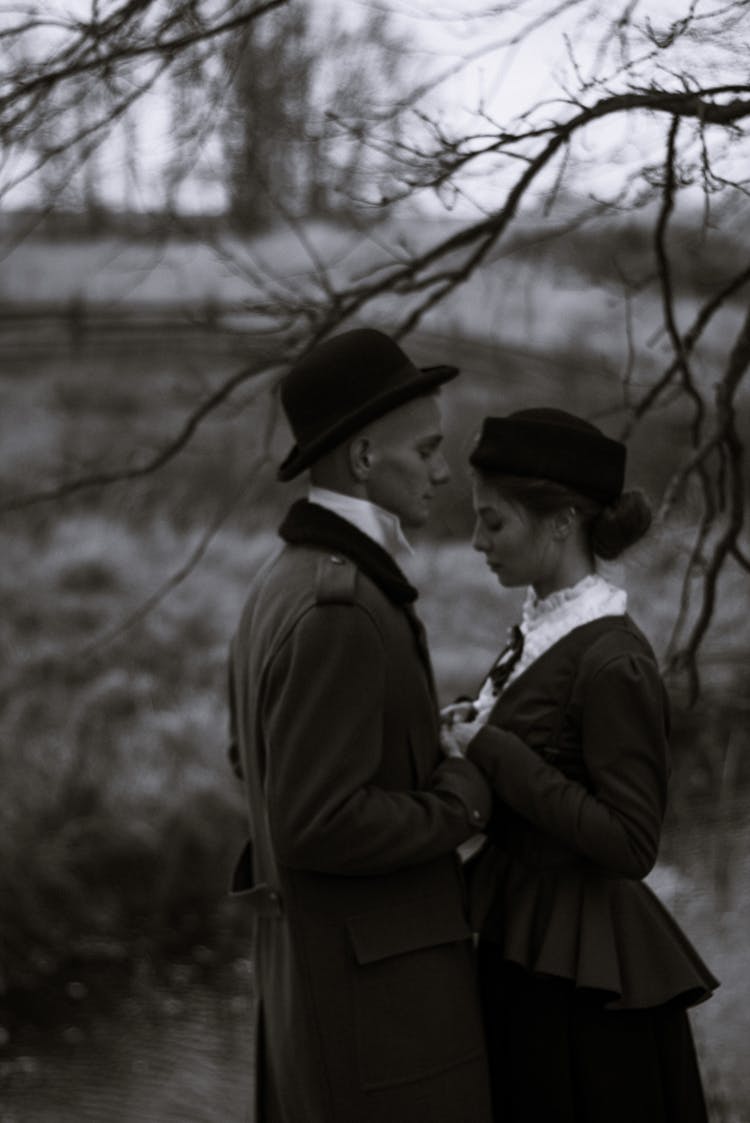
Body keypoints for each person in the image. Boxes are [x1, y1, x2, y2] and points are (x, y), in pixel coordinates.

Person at [227, 328, 495, 1123]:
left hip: (321, 1000)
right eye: (429, 448)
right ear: (365, 456)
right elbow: (316, 821)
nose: (446, 471)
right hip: (376, 1024)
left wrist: (408, 753)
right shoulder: (335, 608)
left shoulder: (282, 584)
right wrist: (462, 796)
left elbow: (256, 761)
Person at [441, 408, 718, 1123]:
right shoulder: (543, 624)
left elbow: (632, 841)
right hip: (527, 950)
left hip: (585, 988)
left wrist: (491, 748)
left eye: (494, 522)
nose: (476, 541)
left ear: (561, 520)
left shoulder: (614, 659)